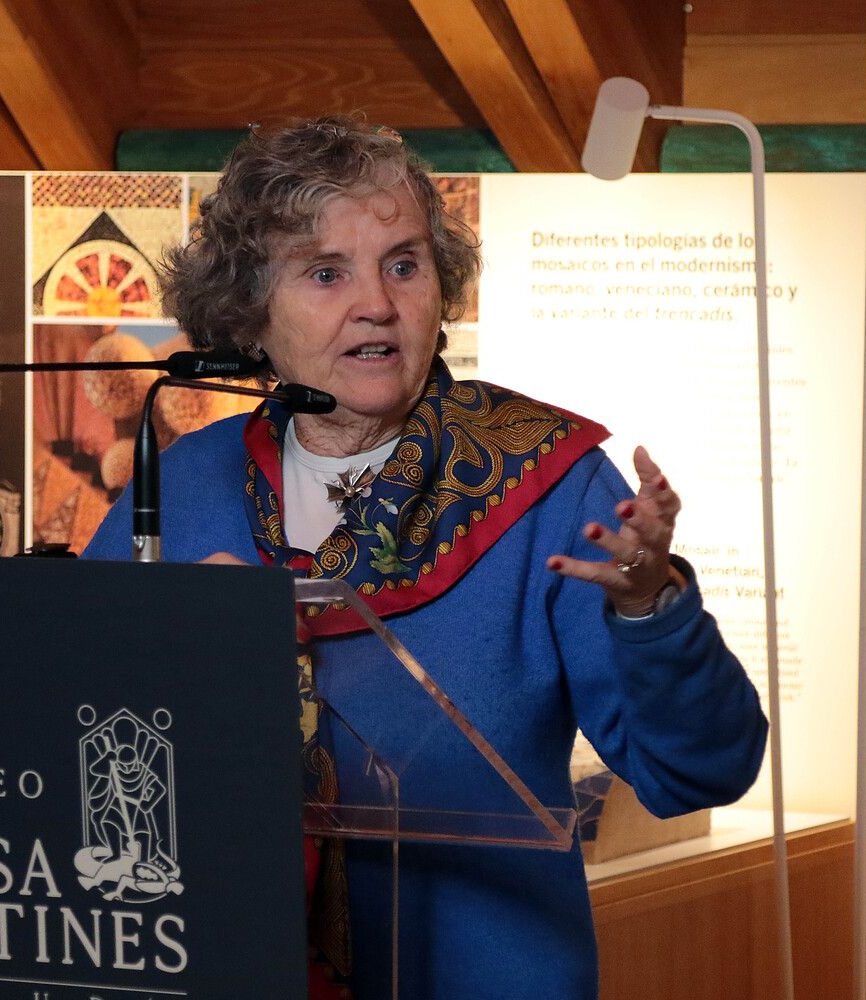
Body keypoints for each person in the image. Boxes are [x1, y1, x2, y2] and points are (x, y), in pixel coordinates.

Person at [83, 116, 767, 999]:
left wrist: (650, 611)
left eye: (403, 264)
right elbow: (73, 750)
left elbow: (700, 773)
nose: (376, 302)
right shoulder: (177, 493)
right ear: (251, 309)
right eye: (327, 273)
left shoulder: (551, 485)